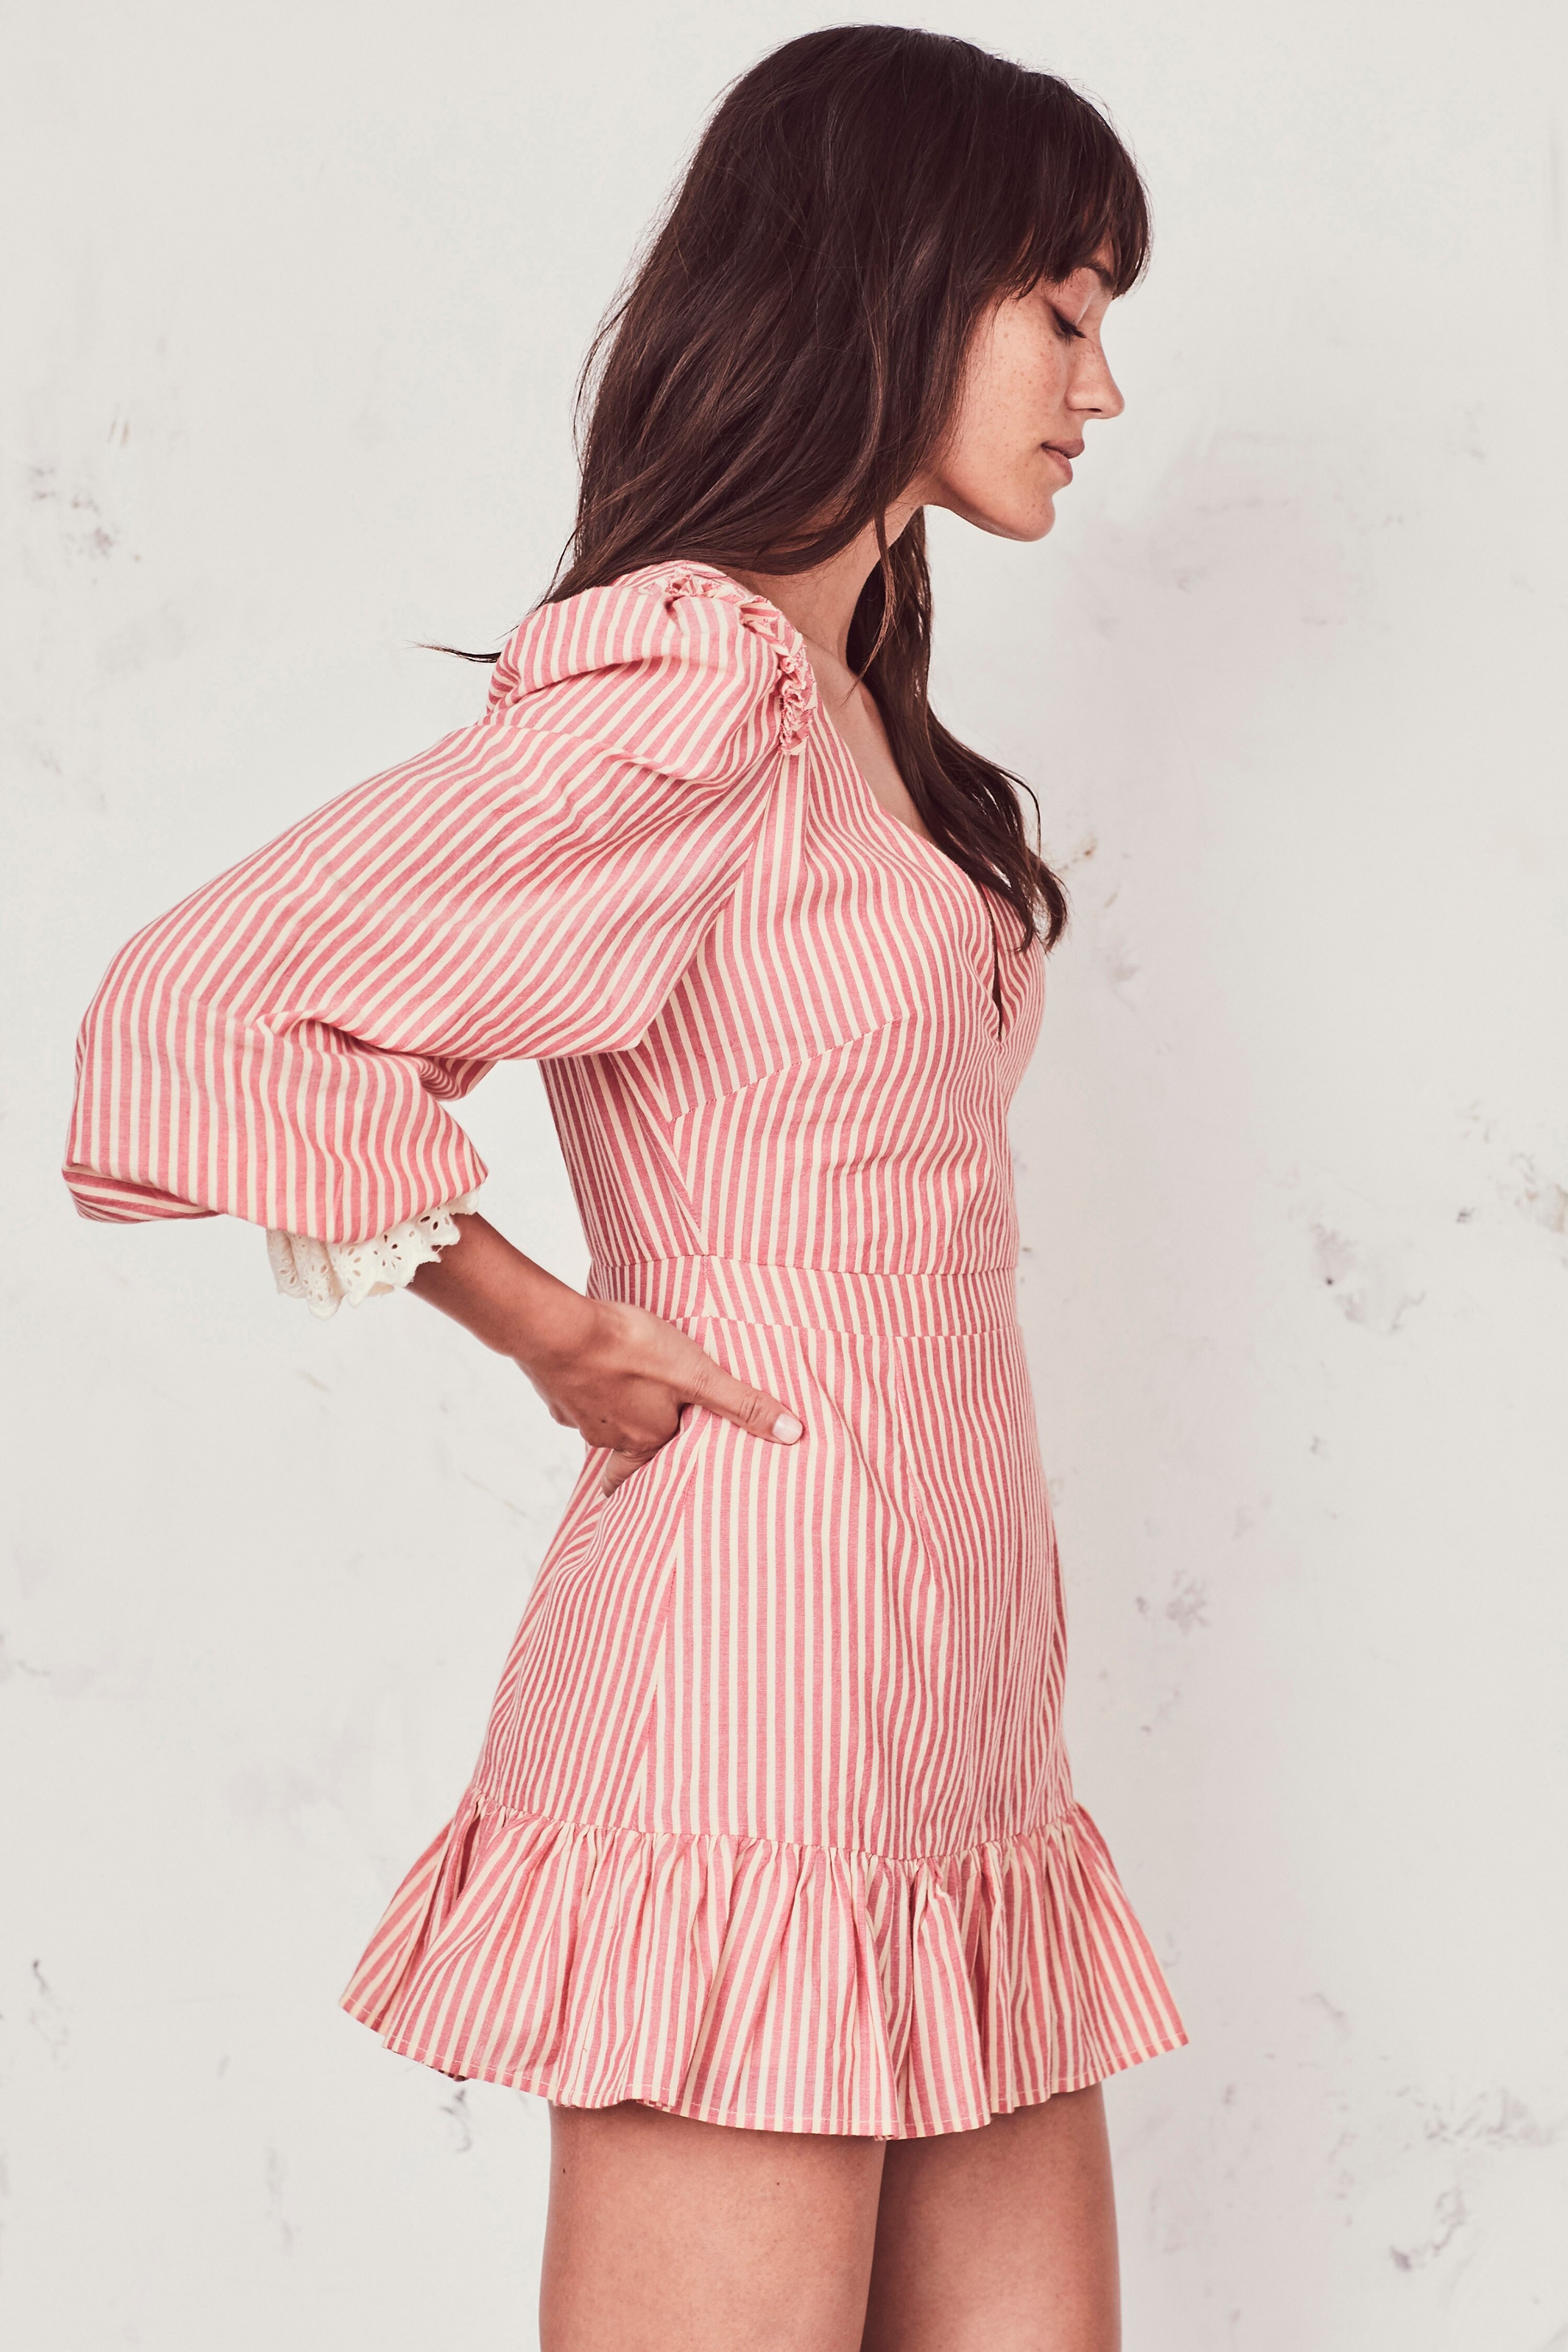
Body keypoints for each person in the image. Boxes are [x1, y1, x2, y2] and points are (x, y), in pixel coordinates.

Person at [64, 25, 1185, 2350]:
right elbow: (206, 1002)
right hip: (752, 1683)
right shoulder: (692, 686)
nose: (1100, 386)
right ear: (896, 281)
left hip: (959, 1682)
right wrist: (541, 1318)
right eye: (1064, 310)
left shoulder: (859, 714)